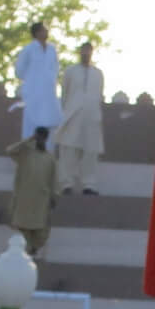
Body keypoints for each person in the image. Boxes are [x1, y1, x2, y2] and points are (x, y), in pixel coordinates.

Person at [56, 40, 106, 194]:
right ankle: (66, 183)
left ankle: (88, 184)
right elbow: (65, 94)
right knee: (69, 149)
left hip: (91, 115)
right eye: (83, 50)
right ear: (80, 52)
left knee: (90, 151)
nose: (86, 53)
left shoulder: (98, 73)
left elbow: (99, 95)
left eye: (89, 51)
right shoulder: (71, 71)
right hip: (72, 113)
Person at [7, 128, 59, 258]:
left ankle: (33, 249)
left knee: (40, 230)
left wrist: (54, 196)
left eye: (43, 137)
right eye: (38, 137)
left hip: (41, 200)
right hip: (25, 198)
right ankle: (28, 251)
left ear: (46, 139)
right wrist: (30, 139)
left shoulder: (50, 158)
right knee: (23, 227)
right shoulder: (25, 154)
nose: (41, 140)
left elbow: (53, 179)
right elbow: (10, 151)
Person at [13, 21, 63, 139]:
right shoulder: (28, 50)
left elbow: (55, 69)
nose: (46, 32)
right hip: (33, 95)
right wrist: (33, 81)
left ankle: (45, 156)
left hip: (49, 94)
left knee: (49, 127)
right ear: (37, 32)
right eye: (44, 29)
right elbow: (19, 71)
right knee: (31, 126)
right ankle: (29, 154)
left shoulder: (52, 50)